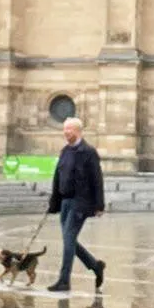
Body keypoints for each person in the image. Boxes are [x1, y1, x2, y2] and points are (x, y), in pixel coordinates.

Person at [46, 116, 106, 293]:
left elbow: (97, 179)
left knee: (69, 240)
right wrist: (53, 201)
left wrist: (99, 204)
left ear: (78, 131)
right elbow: (58, 177)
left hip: (80, 202)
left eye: (69, 130)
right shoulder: (65, 151)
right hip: (65, 202)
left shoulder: (88, 152)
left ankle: (64, 281)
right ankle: (95, 266)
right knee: (69, 240)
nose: (66, 132)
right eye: (64, 129)